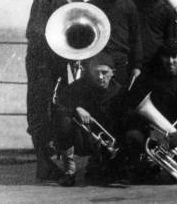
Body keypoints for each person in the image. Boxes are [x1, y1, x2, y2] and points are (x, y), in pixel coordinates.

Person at [26, 0, 85, 180]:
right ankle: (44, 163)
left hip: (64, 60)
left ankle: (58, 156)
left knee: (62, 106)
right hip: (42, 60)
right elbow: (34, 30)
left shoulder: (79, 0)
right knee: (39, 108)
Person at [124, 39, 177, 183]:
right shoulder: (148, 79)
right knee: (133, 136)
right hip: (151, 131)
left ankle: (176, 167)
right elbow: (134, 106)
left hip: (176, 132)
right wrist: (154, 133)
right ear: (161, 57)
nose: (170, 61)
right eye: (166, 56)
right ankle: (144, 167)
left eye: (174, 57)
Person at [54, 52, 126, 186]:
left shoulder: (119, 92)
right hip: (81, 137)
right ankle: (69, 169)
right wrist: (76, 108)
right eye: (96, 72)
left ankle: (100, 163)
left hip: (107, 141)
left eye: (104, 72)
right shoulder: (79, 86)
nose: (100, 77)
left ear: (113, 72)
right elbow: (59, 106)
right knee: (63, 120)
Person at [89, 0, 143, 86]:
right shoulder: (91, 5)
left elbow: (136, 38)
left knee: (118, 99)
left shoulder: (129, 6)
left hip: (119, 62)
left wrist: (137, 66)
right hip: (96, 62)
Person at [132, 0, 177, 72]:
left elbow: (170, 38)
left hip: (157, 63)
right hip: (133, 61)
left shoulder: (167, 10)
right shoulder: (131, 5)